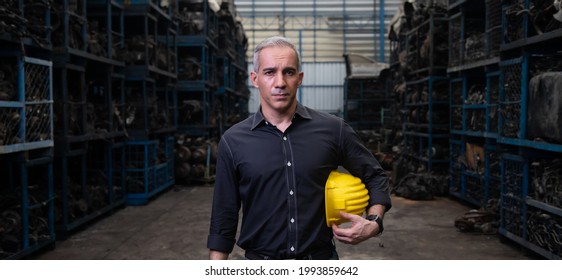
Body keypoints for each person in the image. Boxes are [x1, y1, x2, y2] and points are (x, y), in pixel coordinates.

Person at [207, 36, 392, 260]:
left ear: (300, 78)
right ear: (255, 79)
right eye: (269, 72)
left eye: (289, 72)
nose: (280, 82)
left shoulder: (333, 130)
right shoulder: (233, 141)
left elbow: (375, 176)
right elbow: (223, 217)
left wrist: (374, 223)